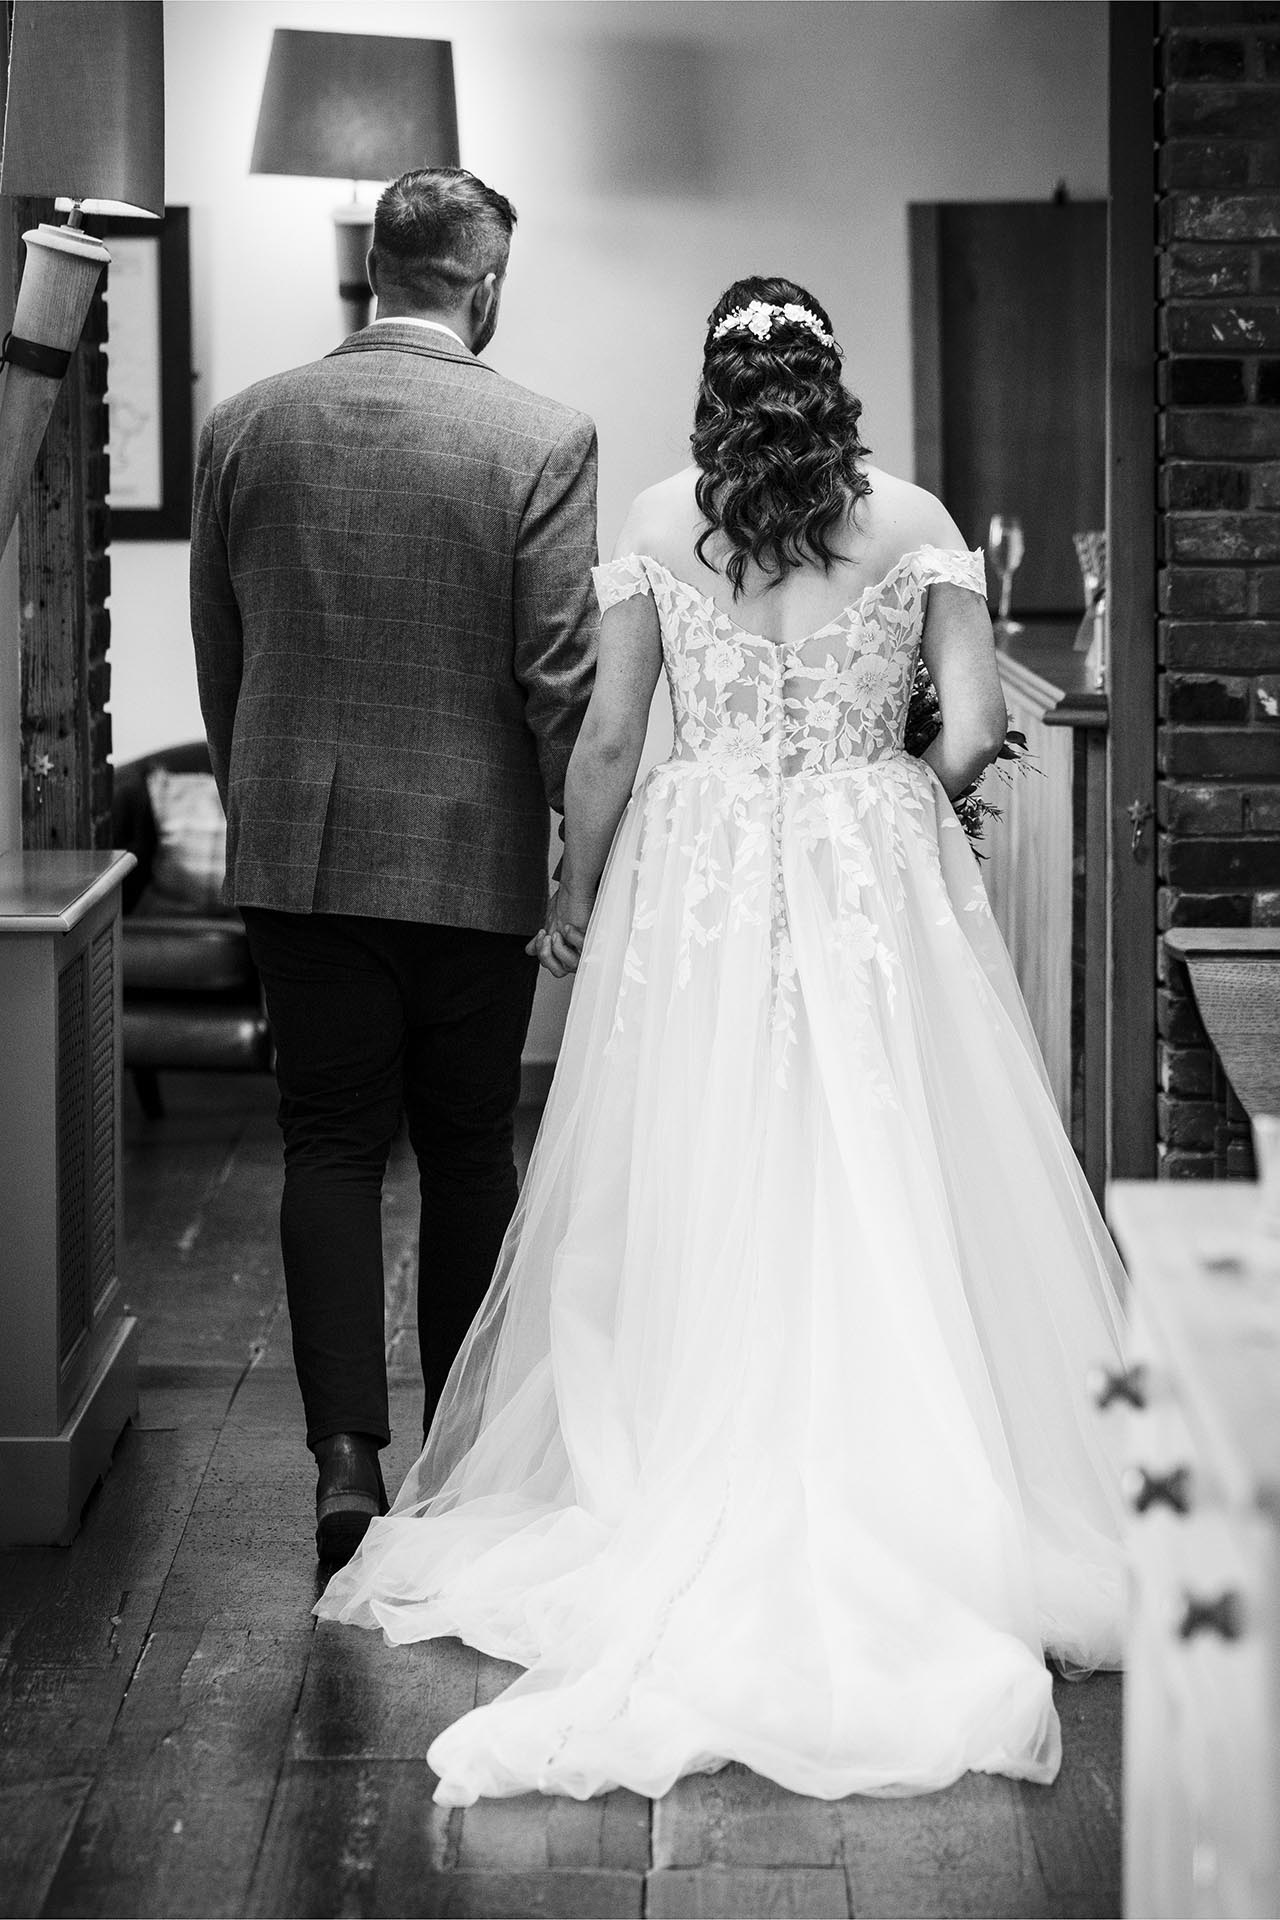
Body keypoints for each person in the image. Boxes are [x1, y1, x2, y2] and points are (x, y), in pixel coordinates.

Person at [316, 276, 1127, 1805]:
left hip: (698, 873)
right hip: (866, 861)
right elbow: (963, 724)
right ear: (833, 383)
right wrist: (891, 788)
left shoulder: (653, 515)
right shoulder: (914, 517)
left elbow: (612, 737)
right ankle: (920, 1471)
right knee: (882, 1145)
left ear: (716, 385)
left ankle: (696, 1444)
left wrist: (574, 893)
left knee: (701, 1150)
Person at [189, 168, 599, 1567]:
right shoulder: (542, 438)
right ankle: (462, 1459)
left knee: (330, 1145)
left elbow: (222, 657)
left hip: (298, 853)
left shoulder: (246, 425)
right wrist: (579, 850)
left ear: (376, 267)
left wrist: (267, 804)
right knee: (470, 1153)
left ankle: (345, 1462)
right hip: (471, 859)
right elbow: (560, 683)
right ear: (483, 283)